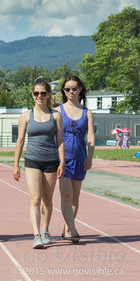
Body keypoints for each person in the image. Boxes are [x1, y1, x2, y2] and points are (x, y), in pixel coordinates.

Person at [13, 79, 65, 249]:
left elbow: (60, 140)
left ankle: (45, 230)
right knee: (35, 198)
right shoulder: (26, 115)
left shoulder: (55, 115)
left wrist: (62, 162)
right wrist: (15, 165)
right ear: (32, 95)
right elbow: (20, 140)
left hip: (51, 160)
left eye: (43, 93)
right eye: (36, 93)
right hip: (32, 161)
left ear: (48, 94)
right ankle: (36, 235)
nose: (39, 96)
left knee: (48, 200)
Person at [55, 75, 95, 244]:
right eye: (67, 89)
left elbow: (91, 137)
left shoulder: (87, 113)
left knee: (75, 198)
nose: (71, 91)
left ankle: (67, 229)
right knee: (66, 195)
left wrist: (90, 158)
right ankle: (74, 229)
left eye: (74, 88)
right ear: (64, 91)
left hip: (80, 158)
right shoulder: (58, 111)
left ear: (80, 89)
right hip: (62, 159)